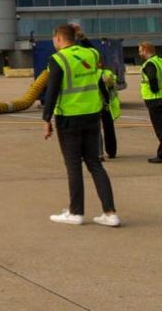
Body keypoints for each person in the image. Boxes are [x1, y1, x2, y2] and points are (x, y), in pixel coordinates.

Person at [42, 24, 119, 226]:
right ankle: (110, 213)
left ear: (58, 38)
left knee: (73, 165)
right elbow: (94, 49)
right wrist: (82, 36)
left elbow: (52, 91)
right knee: (95, 163)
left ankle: (76, 212)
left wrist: (46, 119)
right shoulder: (91, 54)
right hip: (92, 116)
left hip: (69, 119)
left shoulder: (58, 59)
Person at [137, 42, 162, 164]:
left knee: (160, 129)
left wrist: (154, 89)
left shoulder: (149, 64)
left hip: (155, 100)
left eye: (140, 50)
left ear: (146, 50)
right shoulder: (159, 61)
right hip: (160, 98)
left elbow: (152, 78)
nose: (139, 53)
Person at [99, 64, 120, 161]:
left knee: (108, 129)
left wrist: (111, 84)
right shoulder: (96, 73)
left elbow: (113, 88)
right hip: (100, 104)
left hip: (103, 105)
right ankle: (107, 152)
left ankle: (110, 152)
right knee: (107, 128)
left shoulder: (106, 73)